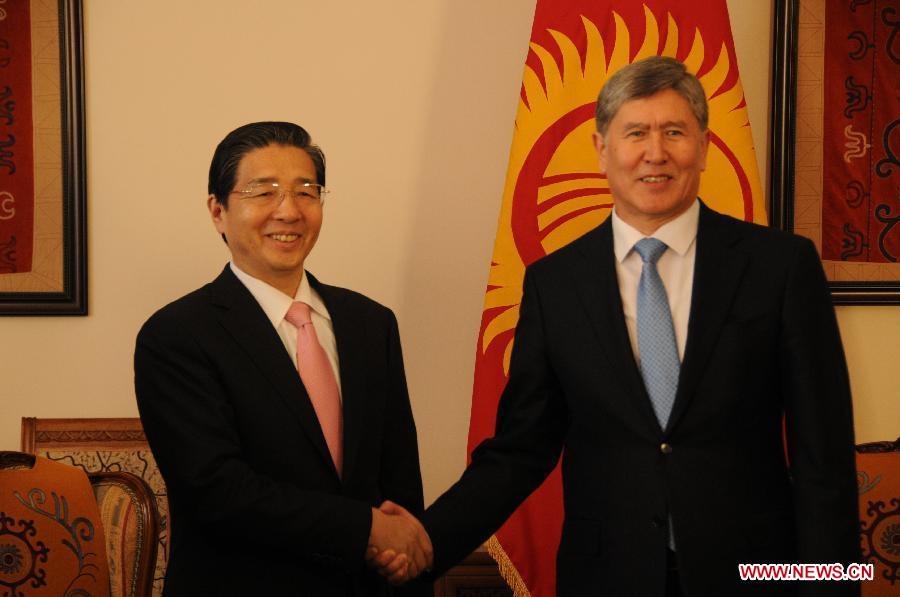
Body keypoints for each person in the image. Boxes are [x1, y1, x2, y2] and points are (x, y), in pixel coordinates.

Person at [373, 57, 860, 596]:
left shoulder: (781, 266)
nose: (655, 152)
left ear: (703, 145)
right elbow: (521, 447)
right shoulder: (554, 283)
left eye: (674, 131)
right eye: (636, 133)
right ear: (602, 150)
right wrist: (428, 538)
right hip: (607, 575)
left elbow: (824, 454)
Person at [135, 121, 432, 596]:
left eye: (306, 191)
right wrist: (366, 529)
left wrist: (404, 554)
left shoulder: (371, 323)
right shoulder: (177, 335)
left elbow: (399, 476)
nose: (289, 211)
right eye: (263, 192)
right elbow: (219, 492)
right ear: (218, 211)